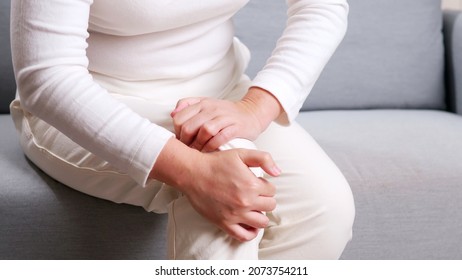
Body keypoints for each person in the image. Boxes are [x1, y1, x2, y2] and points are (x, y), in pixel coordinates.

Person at [10, 0, 355, 259]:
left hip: (223, 94)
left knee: (326, 209)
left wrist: (255, 107)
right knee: (228, 202)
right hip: (86, 106)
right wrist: (192, 172)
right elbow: (47, 79)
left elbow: (322, 6)